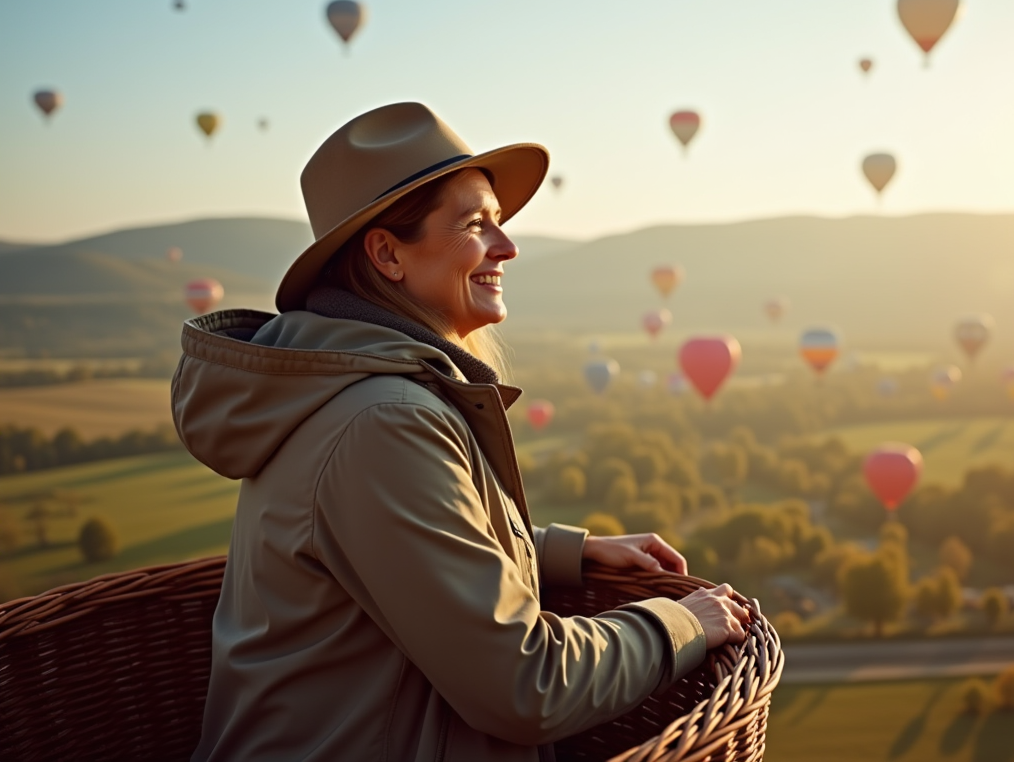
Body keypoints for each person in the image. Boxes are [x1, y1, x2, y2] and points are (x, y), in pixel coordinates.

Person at [173, 102, 750, 762]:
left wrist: (565, 553)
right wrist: (679, 621)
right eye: (477, 225)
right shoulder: (384, 421)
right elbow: (525, 686)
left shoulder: (355, 399)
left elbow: (396, 554)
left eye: (499, 223)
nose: (508, 247)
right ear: (388, 254)